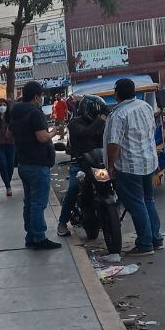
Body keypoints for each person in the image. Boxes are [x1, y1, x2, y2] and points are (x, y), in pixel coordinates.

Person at [104, 77, 163, 257]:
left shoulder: (118, 114)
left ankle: (145, 244)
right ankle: (156, 238)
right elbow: (151, 131)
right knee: (148, 201)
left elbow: (114, 144)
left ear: (116, 94)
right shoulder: (145, 107)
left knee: (136, 204)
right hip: (149, 162)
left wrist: (111, 166)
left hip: (130, 167)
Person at [7, 80, 61, 250]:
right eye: (41, 95)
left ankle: (30, 235)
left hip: (24, 162)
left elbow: (9, 135)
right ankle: (39, 237)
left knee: (29, 202)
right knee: (38, 203)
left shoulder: (15, 111)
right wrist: (54, 132)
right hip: (37, 164)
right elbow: (42, 137)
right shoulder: (35, 113)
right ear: (37, 96)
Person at [56, 95, 108, 237]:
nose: (98, 116)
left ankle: (111, 211)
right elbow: (86, 133)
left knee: (110, 184)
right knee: (73, 188)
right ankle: (62, 222)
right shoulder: (74, 123)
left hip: (98, 164)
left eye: (100, 113)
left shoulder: (103, 123)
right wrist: (101, 120)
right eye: (96, 113)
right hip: (80, 165)